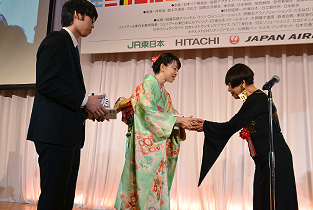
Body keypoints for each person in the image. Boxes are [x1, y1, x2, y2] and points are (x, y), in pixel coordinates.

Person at [27, 1, 108, 209]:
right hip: (54, 135)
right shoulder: (56, 40)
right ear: (77, 15)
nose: (93, 25)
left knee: (64, 198)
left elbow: (62, 87)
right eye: (92, 19)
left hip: (66, 135)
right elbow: (46, 84)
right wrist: (84, 100)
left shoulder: (70, 45)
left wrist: (88, 102)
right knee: (54, 198)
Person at [191, 63, 298, 210]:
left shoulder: (257, 100)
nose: (229, 90)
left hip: (273, 159)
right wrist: (206, 126)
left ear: (242, 82)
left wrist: (205, 125)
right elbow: (241, 107)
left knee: (274, 202)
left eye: (230, 85)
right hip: (264, 161)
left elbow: (232, 126)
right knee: (263, 201)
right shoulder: (253, 99)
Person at [114, 53, 193, 210]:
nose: (176, 73)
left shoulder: (166, 95)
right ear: (162, 66)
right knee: (143, 184)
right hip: (144, 146)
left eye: (177, 70)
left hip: (157, 146)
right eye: (174, 68)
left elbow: (171, 114)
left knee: (156, 183)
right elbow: (147, 114)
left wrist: (187, 122)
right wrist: (178, 120)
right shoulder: (146, 87)